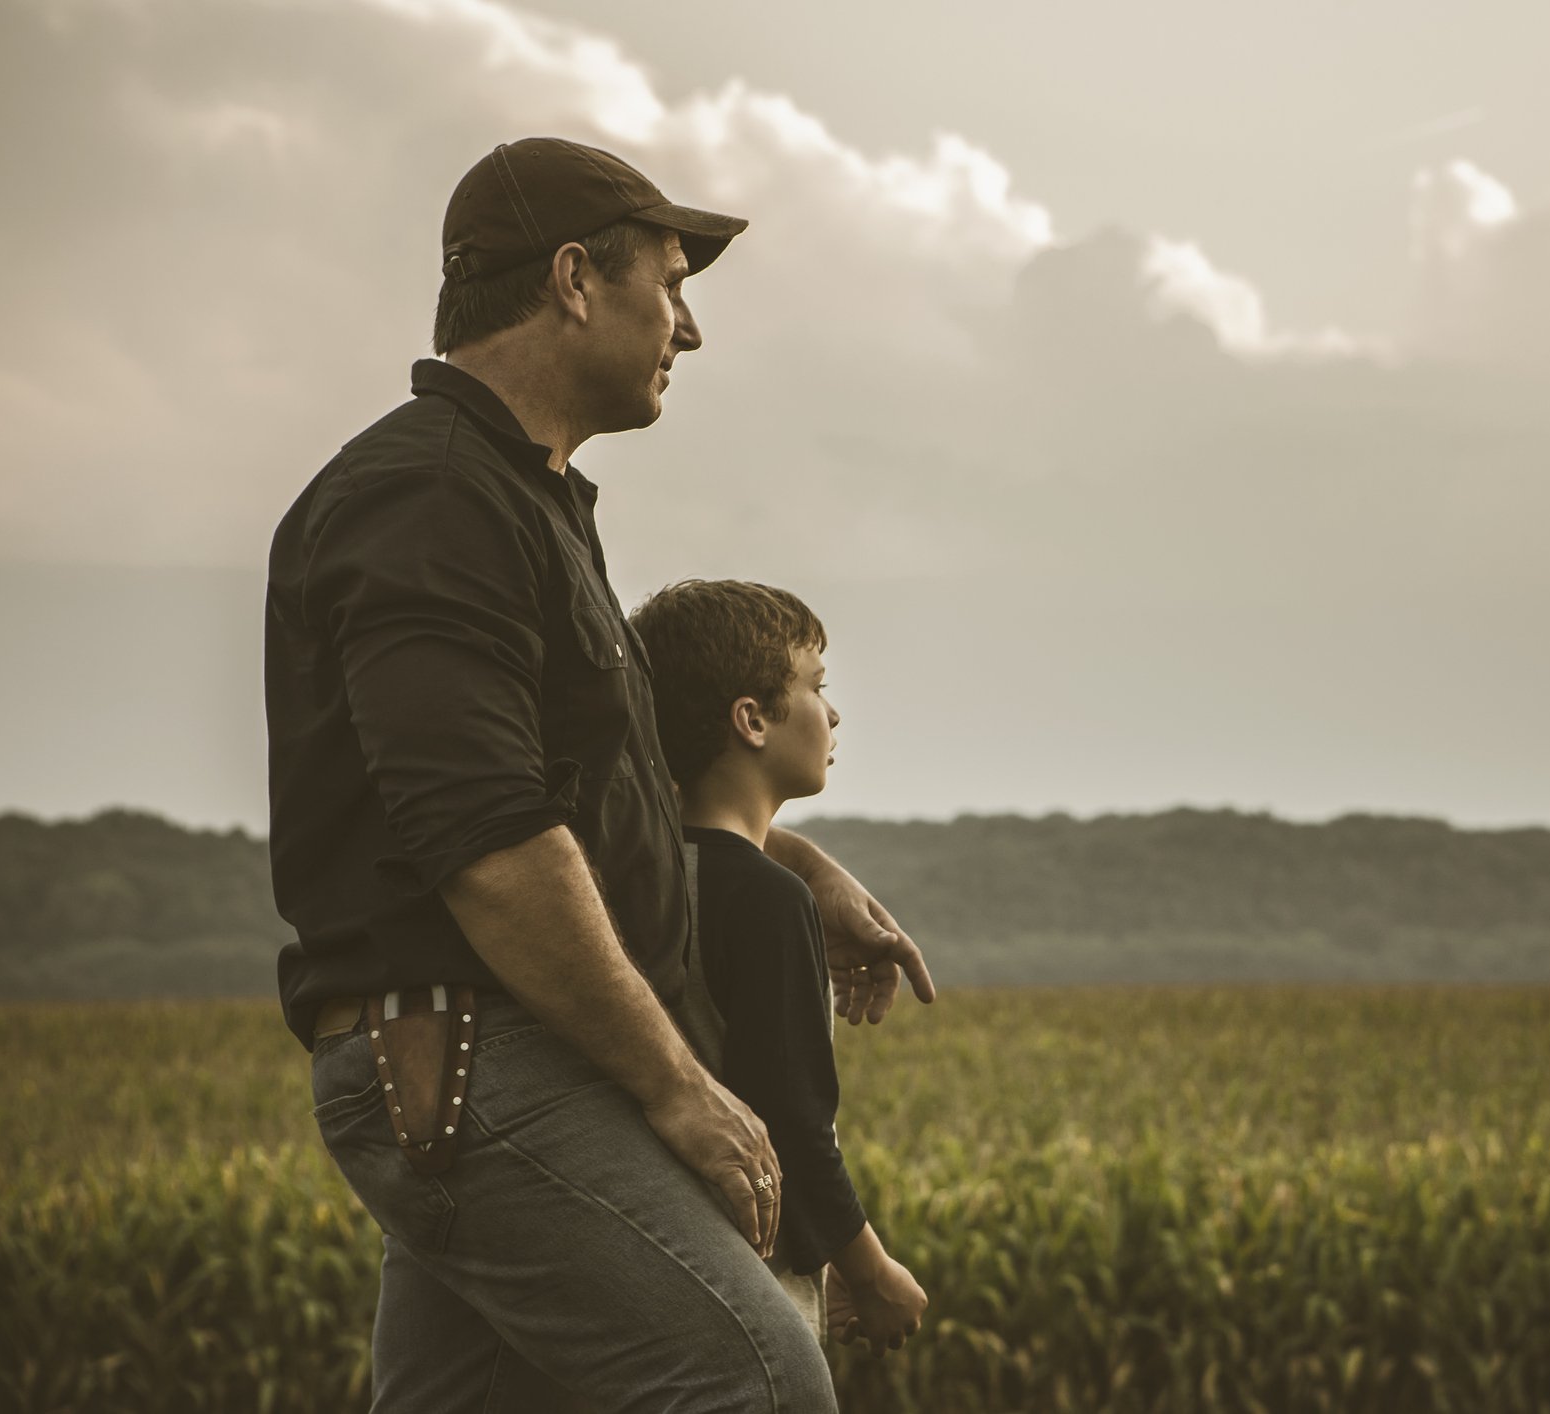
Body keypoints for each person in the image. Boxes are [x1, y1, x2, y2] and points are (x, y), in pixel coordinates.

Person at [264, 137, 934, 1413]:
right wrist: (678, 1088)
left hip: (491, 1054)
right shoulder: (433, 502)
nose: (688, 331)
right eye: (671, 286)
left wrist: (801, 862)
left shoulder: (526, 502)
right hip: (487, 1063)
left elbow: (599, 804)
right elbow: (492, 844)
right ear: (575, 279)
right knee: (760, 1376)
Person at [628, 579, 929, 1356]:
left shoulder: (634, 881)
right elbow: (791, 1123)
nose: (831, 714)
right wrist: (869, 1270)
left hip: (652, 1255)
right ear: (751, 720)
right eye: (816, 686)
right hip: (743, 1268)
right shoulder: (769, 898)